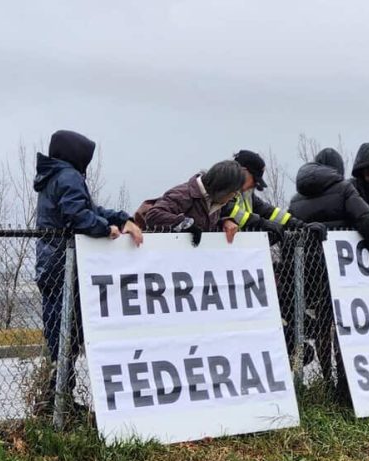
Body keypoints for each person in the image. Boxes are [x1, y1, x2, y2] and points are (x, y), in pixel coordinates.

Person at [34, 129, 143, 418]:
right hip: (62, 266)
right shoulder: (67, 177)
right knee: (65, 336)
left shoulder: (57, 176)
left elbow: (90, 209)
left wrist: (122, 219)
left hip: (52, 265)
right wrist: (104, 229)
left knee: (64, 336)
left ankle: (59, 401)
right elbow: (78, 215)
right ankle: (56, 403)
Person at [287, 148, 369, 391]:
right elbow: (365, 220)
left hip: (310, 271)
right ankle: (346, 381)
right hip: (341, 270)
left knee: (322, 326)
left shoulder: (296, 198)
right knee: (346, 326)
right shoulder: (344, 189)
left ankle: (325, 381)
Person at [225, 149, 327, 244]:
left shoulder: (247, 195)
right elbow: (231, 211)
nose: (255, 185)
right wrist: (263, 224)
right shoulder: (223, 187)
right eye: (254, 179)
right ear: (243, 171)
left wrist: (300, 225)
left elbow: (270, 212)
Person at [133, 160, 245, 245]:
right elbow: (153, 215)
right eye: (234, 193)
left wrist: (224, 223)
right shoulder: (183, 194)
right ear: (222, 190)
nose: (234, 197)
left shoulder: (214, 202)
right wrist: (185, 224)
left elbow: (203, 225)